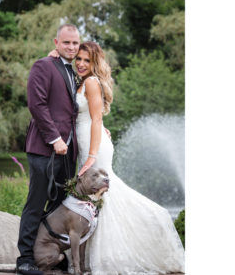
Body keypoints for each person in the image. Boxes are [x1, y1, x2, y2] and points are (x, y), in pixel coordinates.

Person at [51, 41, 185, 274]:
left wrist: (92, 155)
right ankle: (92, 257)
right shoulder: (82, 81)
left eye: (87, 60)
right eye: (79, 59)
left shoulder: (91, 82)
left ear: (95, 63)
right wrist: (53, 55)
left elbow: (96, 119)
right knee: (93, 199)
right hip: (87, 144)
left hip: (94, 148)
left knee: (104, 197)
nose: (81, 64)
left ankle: (113, 253)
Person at [16, 24, 80, 275]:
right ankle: (25, 258)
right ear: (56, 42)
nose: (71, 47)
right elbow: (37, 104)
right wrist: (54, 138)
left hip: (68, 152)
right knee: (36, 202)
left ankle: (49, 253)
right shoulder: (44, 65)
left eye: (75, 43)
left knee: (59, 205)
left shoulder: (72, 71)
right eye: (66, 43)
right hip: (45, 148)